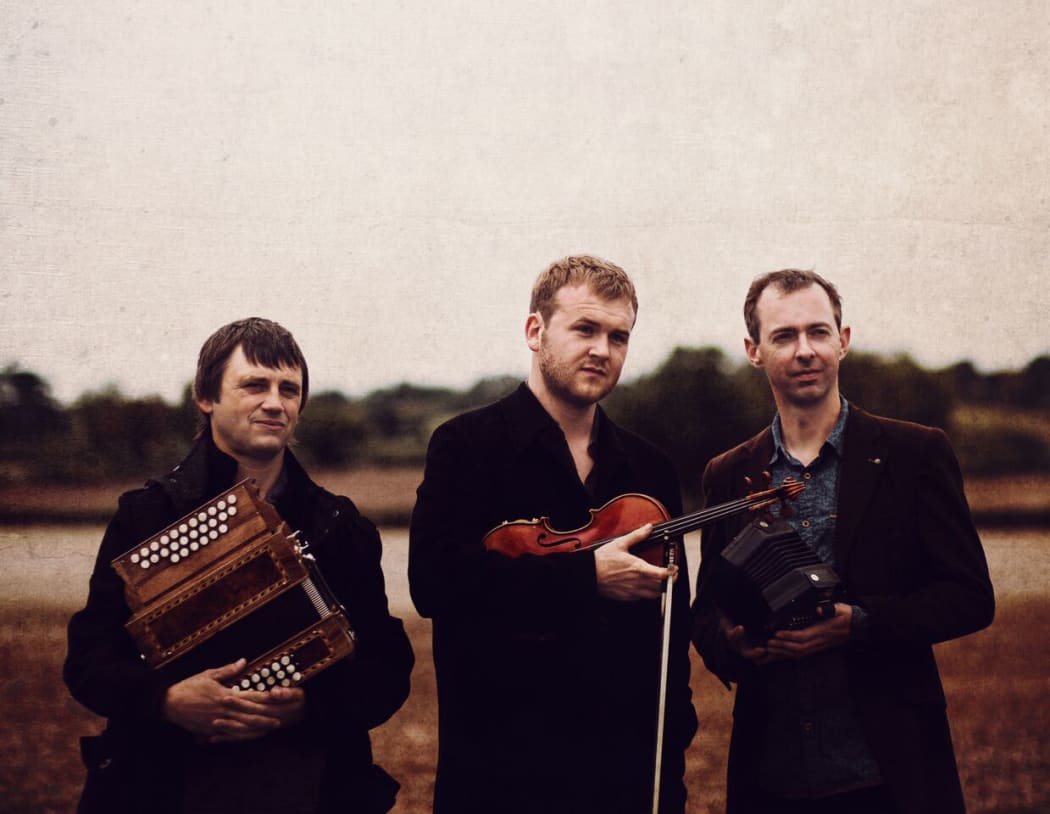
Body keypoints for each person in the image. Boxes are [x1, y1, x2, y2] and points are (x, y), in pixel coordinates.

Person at [64, 317, 414, 814]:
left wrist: (311, 706)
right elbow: (88, 659)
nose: (275, 402)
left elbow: (386, 667)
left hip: (308, 784)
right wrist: (166, 700)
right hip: (165, 782)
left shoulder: (340, 525)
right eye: (255, 384)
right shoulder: (147, 514)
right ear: (206, 396)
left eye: (288, 389)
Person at [691, 269, 995, 814]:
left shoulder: (916, 453)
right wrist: (732, 645)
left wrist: (858, 624)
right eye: (784, 336)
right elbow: (707, 610)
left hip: (890, 773)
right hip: (772, 775)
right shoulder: (726, 472)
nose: (804, 350)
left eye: (819, 332)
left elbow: (970, 597)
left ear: (843, 340)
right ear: (753, 350)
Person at [409, 255, 697, 813]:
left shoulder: (651, 469)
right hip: (503, 770)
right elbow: (435, 583)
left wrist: (672, 748)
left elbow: (672, 627)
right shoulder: (465, 445)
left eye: (619, 336)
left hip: (627, 774)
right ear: (535, 330)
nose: (602, 350)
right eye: (585, 329)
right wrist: (585, 576)